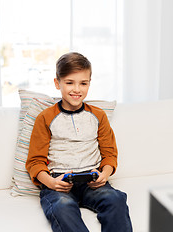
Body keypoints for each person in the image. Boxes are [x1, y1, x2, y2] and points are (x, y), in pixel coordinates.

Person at [26, 52, 132, 232]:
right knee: (62, 207)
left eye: (83, 83)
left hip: (92, 180)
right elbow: (35, 162)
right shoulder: (45, 118)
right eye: (69, 82)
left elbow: (110, 155)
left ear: (89, 83)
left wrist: (104, 174)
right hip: (59, 182)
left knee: (116, 200)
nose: (77, 89)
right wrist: (51, 183)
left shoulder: (98, 116)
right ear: (57, 83)